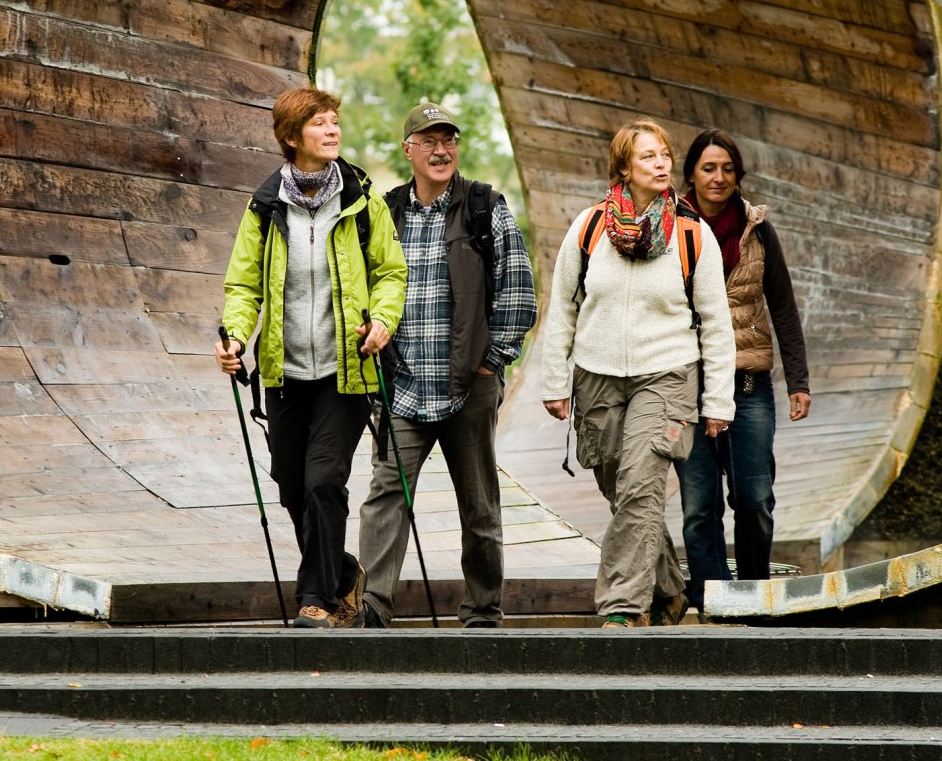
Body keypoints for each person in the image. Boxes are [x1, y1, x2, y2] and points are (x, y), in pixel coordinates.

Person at [216, 87, 408, 629]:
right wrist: (233, 335)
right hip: (283, 372)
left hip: (346, 371)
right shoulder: (265, 205)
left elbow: (391, 273)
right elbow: (243, 284)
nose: (333, 131)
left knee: (325, 480)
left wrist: (382, 322)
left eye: (334, 122)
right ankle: (343, 571)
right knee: (291, 483)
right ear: (291, 137)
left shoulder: (360, 199)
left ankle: (316, 598)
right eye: (320, 123)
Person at [539, 119, 735, 627]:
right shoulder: (588, 228)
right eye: (648, 156)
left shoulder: (693, 235)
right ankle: (670, 588)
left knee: (641, 487)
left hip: (667, 375)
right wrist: (555, 382)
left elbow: (715, 323)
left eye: (665, 154)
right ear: (624, 167)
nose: (662, 163)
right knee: (622, 491)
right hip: (597, 376)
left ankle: (623, 608)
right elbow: (562, 306)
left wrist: (717, 401)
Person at [356, 101, 538, 629]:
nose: (441, 150)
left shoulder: (484, 206)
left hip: (468, 384)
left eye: (449, 141)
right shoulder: (384, 213)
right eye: (429, 141)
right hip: (404, 387)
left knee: (479, 506)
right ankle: (372, 606)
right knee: (386, 496)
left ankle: (483, 608)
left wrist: (493, 363)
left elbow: (518, 294)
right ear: (408, 149)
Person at [675, 128, 811, 614]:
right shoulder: (668, 226)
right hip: (687, 385)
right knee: (699, 507)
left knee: (754, 499)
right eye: (708, 168)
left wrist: (799, 381)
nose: (718, 177)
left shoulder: (758, 229)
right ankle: (713, 601)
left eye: (727, 169)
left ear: (738, 176)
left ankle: (752, 597)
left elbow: (783, 307)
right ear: (691, 172)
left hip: (747, 386)